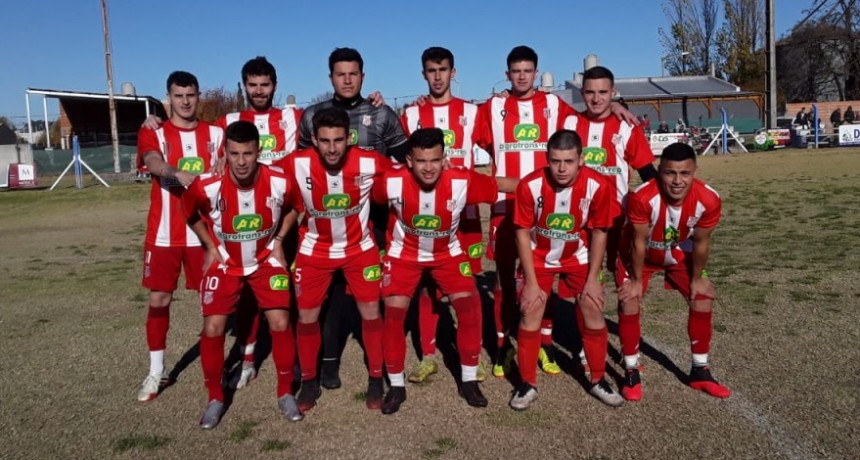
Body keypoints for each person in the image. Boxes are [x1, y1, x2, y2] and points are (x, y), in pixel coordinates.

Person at [477, 46, 636, 379]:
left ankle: (545, 343)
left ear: (537, 73)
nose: (522, 77)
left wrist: (615, 106)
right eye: (516, 71)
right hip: (506, 207)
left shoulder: (554, 105)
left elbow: (590, 113)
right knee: (505, 281)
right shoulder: (491, 107)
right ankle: (504, 345)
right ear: (507, 75)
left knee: (544, 273)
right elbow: (469, 139)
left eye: (528, 71)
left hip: (548, 207)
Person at [372, 128, 513, 413]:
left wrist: (546, 182)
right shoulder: (390, 181)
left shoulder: (461, 180)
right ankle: (396, 386)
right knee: (394, 313)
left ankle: (469, 380)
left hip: (447, 254)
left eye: (435, 160)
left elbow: (500, 184)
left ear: (444, 159)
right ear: (409, 160)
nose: (428, 168)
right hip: (403, 255)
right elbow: (369, 200)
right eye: (421, 161)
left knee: (470, 307)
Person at [297, 48, 408, 390]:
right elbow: (301, 165)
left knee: (371, 296)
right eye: (340, 74)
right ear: (330, 77)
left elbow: (405, 158)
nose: (347, 80)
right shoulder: (312, 114)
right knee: (329, 295)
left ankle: (380, 364)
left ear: (363, 76)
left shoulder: (381, 112)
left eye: (353, 74)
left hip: (373, 219)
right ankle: (328, 361)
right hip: (329, 219)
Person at [182, 120, 301, 429]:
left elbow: (295, 208)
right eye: (234, 154)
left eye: (247, 153)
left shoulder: (279, 180)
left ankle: (285, 392)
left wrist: (278, 240)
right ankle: (215, 397)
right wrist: (210, 246)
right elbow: (189, 213)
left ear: (258, 152)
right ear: (225, 153)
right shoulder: (207, 184)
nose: (241, 161)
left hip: (266, 260)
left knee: (281, 322)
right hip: (225, 261)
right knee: (213, 328)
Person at [275, 107, 388, 413]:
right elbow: (260, 175)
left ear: (349, 138)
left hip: (359, 249)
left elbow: (407, 172)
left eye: (338, 140)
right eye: (325, 141)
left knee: (371, 312)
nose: (332, 148)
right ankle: (309, 381)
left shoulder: (369, 161)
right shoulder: (296, 163)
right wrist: (223, 163)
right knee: (307, 316)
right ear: (314, 139)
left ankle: (376, 378)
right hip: (315, 250)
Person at [510, 129, 623, 410]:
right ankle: (527, 384)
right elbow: (522, 233)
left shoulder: (598, 185)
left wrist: (594, 278)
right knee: (531, 309)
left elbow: (599, 232)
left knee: (592, 307)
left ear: (581, 159)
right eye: (555, 161)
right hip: (538, 257)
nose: (562, 168)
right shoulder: (530, 185)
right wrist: (531, 283)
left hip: (578, 257)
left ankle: (597, 379)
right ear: (547, 159)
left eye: (569, 161)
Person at [399, 46, 489, 384]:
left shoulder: (473, 111)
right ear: (423, 74)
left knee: (468, 287)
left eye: (443, 70)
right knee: (427, 287)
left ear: (453, 72)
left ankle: (471, 355)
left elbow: (499, 145)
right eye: (431, 71)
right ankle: (428, 355)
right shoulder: (411, 114)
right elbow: (398, 161)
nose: (437, 77)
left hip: (465, 216)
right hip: (426, 216)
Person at [615, 142, 731, 401]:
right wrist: (636, 281)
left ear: (694, 172)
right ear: (659, 172)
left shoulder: (708, 199)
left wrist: (698, 278)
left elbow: (701, 242)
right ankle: (631, 370)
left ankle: (700, 371)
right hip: (640, 256)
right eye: (670, 173)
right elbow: (637, 242)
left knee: (702, 298)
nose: (677, 181)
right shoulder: (642, 197)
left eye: (685, 173)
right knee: (629, 300)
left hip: (678, 253)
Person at [135, 71, 223, 402]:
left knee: (212, 302)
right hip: (164, 234)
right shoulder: (153, 132)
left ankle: (214, 370)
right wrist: (176, 173)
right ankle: (156, 372)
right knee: (159, 300)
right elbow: (152, 162)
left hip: (204, 234)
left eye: (190, 95)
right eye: (178, 95)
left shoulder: (216, 132)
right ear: (168, 98)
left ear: (198, 96)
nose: (185, 101)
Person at [563, 65, 657, 372]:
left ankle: (630, 355)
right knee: (586, 288)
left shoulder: (626, 127)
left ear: (613, 92)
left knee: (625, 288)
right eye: (590, 92)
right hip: (580, 223)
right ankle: (584, 348)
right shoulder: (569, 122)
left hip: (618, 221)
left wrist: (659, 210)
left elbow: (648, 173)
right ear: (581, 93)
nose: (596, 98)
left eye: (603, 92)